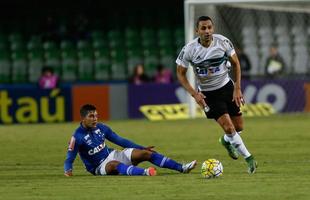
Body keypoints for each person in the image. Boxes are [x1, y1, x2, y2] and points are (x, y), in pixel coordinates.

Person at [176, 16, 257, 174]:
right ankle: (249, 159)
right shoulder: (189, 49)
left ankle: (225, 141)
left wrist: (237, 87)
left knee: (238, 127)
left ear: (213, 28)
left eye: (209, 28)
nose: (207, 31)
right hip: (208, 94)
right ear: (197, 30)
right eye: (203, 28)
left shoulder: (223, 42)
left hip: (227, 87)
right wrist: (195, 94)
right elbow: (180, 73)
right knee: (228, 126)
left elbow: (236, 64)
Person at [64, 104, 196, 176]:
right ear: (83, 118)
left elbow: (120, 140)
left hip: (112, 154)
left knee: (146, 154)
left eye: (96, 116)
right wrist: (67, 169)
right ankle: (145, 173)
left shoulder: (101, 127)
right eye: (91, 116)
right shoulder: (77, 136)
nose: (95, 119)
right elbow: (70, 156)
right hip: (99, 167)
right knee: (114, 165)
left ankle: (182, 168)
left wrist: (141, 147)